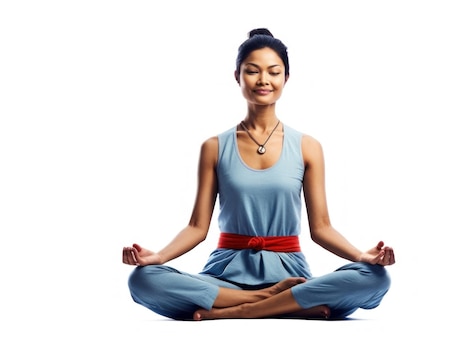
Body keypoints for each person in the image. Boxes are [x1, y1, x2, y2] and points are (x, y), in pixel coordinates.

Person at [122, 28, 395, 321]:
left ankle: (239, 311)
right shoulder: (214, 147)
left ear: (285, 79)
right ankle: (273, 302)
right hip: (225, 277)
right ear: (237, 76)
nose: (264, 80)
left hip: (292, 275)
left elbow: (322, 228)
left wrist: (361, 257)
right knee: (143, 280)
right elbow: (197, 227)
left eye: (274, 72)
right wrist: (158, 257)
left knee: (375, 278)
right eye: (253, 71)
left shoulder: (307, 147)